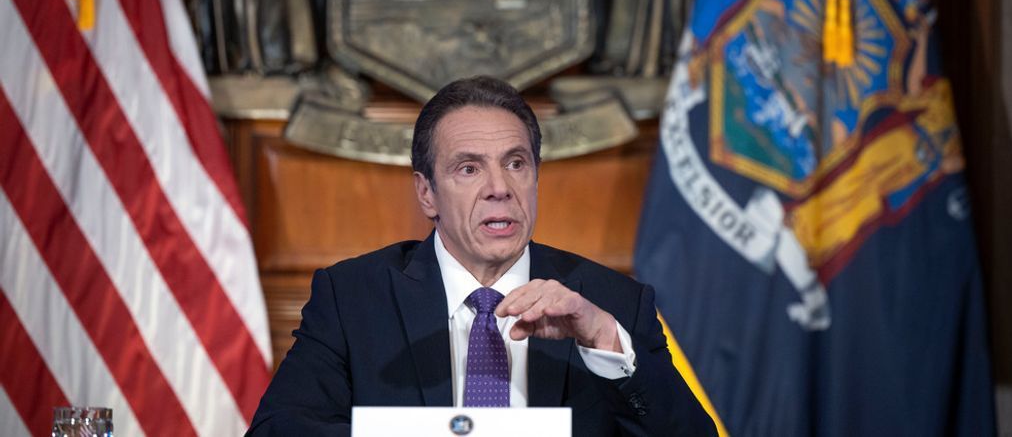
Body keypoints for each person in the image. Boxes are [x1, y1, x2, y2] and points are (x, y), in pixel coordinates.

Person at [247, 76, 716, 436]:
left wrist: (604, 341)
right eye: (469, 168)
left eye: (516, 164)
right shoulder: (353, 299)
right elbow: (278, 432)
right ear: (426, 192)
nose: (499, 189)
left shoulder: (611, 303)